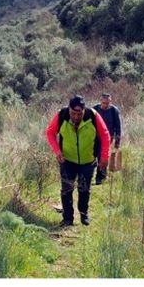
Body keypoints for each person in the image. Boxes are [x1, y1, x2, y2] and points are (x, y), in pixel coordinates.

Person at [44, 94, 111, 227]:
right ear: (69, 109)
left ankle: (84, 214)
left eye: (79, 113)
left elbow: (105, 135)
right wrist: (57, 151)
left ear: (84, 110)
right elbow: (50, 133)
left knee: (84, 190)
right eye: (73, 113)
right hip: (67, 160)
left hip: (87, 161)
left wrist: (104, 157)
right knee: (66, 190)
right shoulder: (62, 115)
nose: (76, 117)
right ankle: (68, 219)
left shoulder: (93, 116)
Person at [94, 90, 123, 183]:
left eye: (107, 103)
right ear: (100, 101)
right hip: (94, 138)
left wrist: (117, 142)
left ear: (110, 102)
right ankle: (95, 175)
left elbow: (118, 127)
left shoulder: (114, 111)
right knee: (94, 155)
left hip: (107, 138)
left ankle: (100, 177)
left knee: (102, 155)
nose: (105, 105)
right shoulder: (94, 110)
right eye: (103, 103)